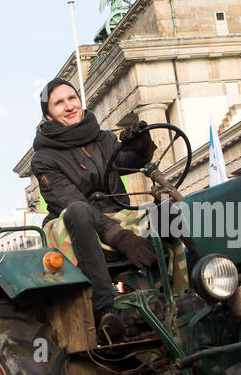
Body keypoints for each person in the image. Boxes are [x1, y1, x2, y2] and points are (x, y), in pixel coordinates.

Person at [31, 77, 157, 337]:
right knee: (79, 211)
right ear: (48, 115)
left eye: (72, 98)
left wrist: (141, 145)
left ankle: (190, 289)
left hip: (118, 213)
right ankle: (105, 306)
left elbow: (127, 162)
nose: (69, 106)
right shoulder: (44, 159)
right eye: (59, 103)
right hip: (74, 223)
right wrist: (120, 236)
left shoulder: (103, 139)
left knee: (167, 211)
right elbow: (73, 203)